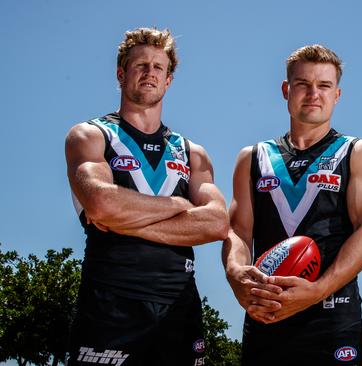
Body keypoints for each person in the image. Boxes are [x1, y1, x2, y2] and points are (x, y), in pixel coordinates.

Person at [65, 27, 229, 365]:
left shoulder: (191, 152)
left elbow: (216, 222)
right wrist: (178, 206)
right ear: (121, 73)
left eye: (158, 67)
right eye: (140, 65)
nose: (150, 72)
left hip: (179, 306)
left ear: (168, 80)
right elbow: (101, 203)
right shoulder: (91, 135)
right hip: (110, 304)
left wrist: (125, 221)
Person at [222, 44, 362, 365]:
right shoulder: (253, 157)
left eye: (324, 85)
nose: (314, 93)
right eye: (303, 84)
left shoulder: (357, 151)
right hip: (267, 315)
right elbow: (238, 232)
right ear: (286, 90)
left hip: (333, 318)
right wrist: (235, 275)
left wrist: (318, 290)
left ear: (337, 94)